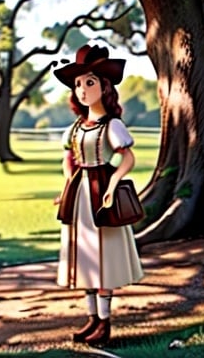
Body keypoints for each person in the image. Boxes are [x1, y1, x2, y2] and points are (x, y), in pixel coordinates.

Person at [53, 43, 144, 346]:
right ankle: (92, 319)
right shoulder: (77, 127)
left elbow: (127, 158)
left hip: (99, 191)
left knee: (103, 258)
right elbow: (68, 157)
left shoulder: (112, 125)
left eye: (89, 83)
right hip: (80, 194)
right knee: (85, 258)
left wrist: (114, 183)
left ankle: (104, 323)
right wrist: (68, 182)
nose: (82, 89)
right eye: (78, 84)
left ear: (104, 87)